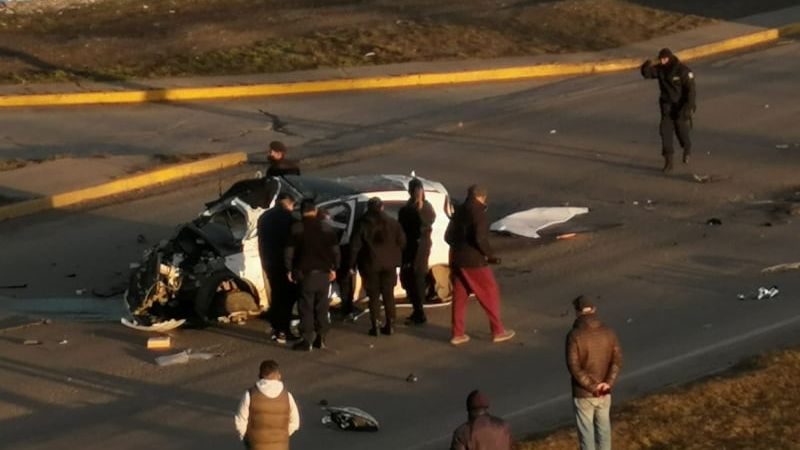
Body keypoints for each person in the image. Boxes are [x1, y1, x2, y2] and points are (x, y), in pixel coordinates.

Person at [445, 185, 515, 345]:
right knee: (489, 293)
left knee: (460, 296)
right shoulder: (479, 214)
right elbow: (479, 238)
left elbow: (447, 236)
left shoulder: (459, 211)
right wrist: (489, 255)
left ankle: (457, 333)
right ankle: (498, 330)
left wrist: (458, 246)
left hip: (457, 258)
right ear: (482, 197)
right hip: (474, 261)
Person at [565, 296, 623, 450]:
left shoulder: (574, 335)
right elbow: (617, 361)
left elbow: (574, 367)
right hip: (604, 392)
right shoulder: (609, 332)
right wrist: (607, 384)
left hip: (583, 394)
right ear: (594, 310)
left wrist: (592, 387)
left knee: (586, 435)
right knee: (604, 431)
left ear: (577, 312)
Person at [285, 199, 340, 351]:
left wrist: (289, 269)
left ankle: (306, 340)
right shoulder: (326, 228)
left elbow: (289, 252)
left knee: (306, 307)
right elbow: (335, 251)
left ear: (302, 212)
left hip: (305, 275)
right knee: (322, 307)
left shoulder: (296, 229)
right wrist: (334, 269)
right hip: (324, 274)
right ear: (315, 211)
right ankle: (321, 338)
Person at [349, 197, 406, 336]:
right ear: (382, 207)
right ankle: (390, 324)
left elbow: (355, 247)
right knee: (388, 295)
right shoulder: (393, 223)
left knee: (373, 296)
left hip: (369, 265)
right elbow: (402, 242)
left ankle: (375, 326)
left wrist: (351, 265)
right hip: (389, 265)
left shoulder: (362, 224)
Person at [640, 47, 697, 173]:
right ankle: (668, 162)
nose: (663, 61)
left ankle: (687, 147)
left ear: (670, 58)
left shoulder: (682, 70)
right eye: (661, 59)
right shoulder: (660, 70)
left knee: (680, 130)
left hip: (681, 107)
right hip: (667, 107)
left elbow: (691, 91)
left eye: (665, 59)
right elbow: (647, 73)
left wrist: (689, 107)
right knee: (665, 132)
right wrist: (649, 62)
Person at [258, 193, 297, 344]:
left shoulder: (264, 218)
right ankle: (283, 330)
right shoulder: (290, 219)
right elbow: (290, 245)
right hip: (284, 264)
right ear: (289, 204)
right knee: (286, 299)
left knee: (276, 295)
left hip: (269, 263)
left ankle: (276, 327)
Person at [234, 360, 300, 450]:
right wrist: (282, 435)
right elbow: (295, 422)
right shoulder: (287, 396)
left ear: (260, 375)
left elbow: (240, 420)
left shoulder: (250, 394)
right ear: (278, 375)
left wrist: (247, 438)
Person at [398, 178, 436, 325]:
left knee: (416, 278)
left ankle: (419, 312)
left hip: (418, 249)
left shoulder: (421, 209)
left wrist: (418, 206)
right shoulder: (412, 208)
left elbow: (424, 222)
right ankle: (417, 310)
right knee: (410, 279)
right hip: (413, 248)